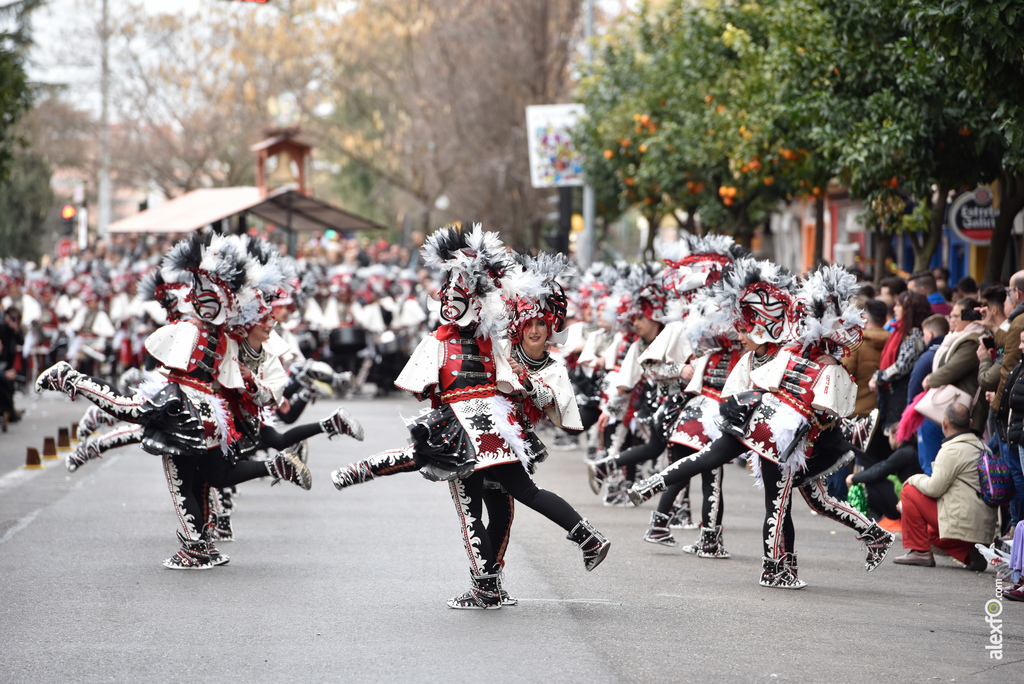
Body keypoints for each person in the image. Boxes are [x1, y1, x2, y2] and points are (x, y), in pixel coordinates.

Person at [330, 225, 609, 610]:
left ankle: (361, 472)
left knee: (460, 497)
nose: (452, 297)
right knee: (518, 494)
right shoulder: (483, 339)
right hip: (494, 426)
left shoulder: (472, 340)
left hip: (466, 424)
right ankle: (582, 537)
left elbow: (428, 388)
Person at [630, 262, 894, 588]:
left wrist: (827, 370)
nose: (738, 335)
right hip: (762, 424)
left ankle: (780, 567)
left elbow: (826, 408)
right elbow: (745, 389)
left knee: (788, 501)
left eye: (744, 329)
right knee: (797, 498)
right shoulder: (780, 354)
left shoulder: (811, 361)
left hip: (790, 438)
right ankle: (806, 559)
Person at [892, 402, 996, 569]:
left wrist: (914, 478)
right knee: (931, 533)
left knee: (909, 491)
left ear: (945, 423)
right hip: (983, 527)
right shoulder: (984, 448)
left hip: (964, 521)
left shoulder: (951, 450)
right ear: (969, 423)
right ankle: (971, 552)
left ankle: (920, 552)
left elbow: (934, 489)